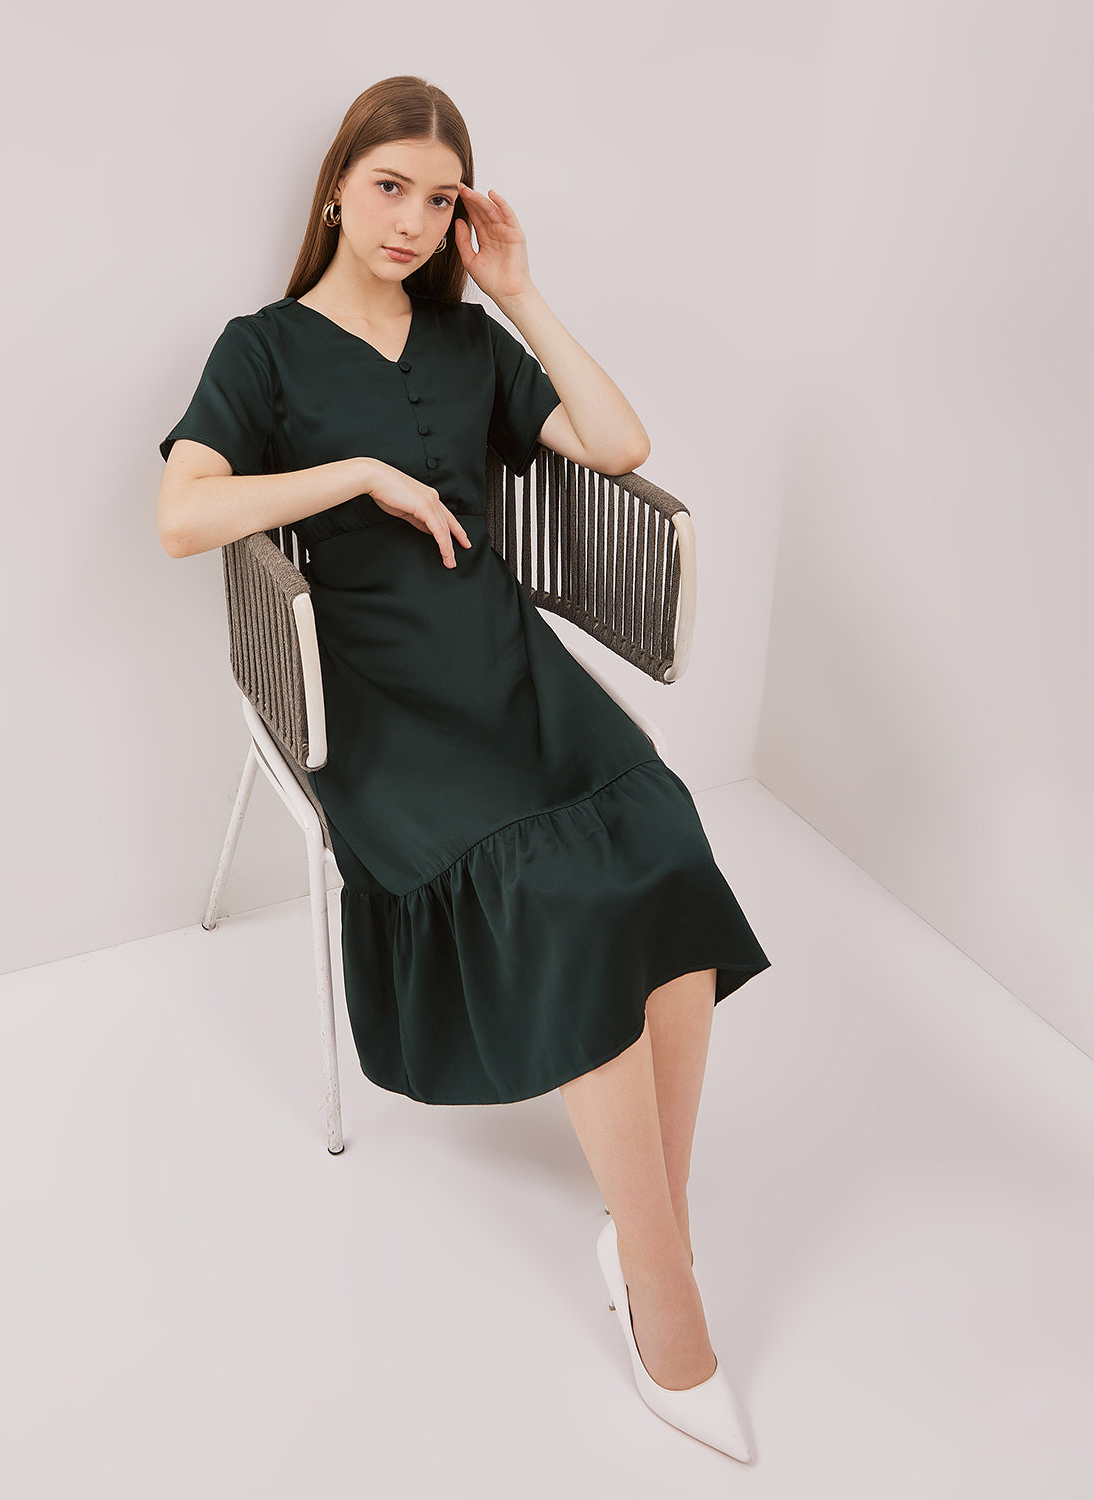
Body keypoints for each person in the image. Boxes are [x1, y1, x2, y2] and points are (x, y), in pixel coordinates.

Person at [157, 75, 769, 1461]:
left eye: (439, 201)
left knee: (666, 841)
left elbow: (618, 445)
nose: (413, 221)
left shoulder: (469, 339)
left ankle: (647, 1234)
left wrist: (522, 292)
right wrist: (354, 476)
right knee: (558, 895)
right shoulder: (263, 350)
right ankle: (666, 1293)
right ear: (337, 187)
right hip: (374, 696)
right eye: (391, 188)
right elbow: (182, 515)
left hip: (505, 663)